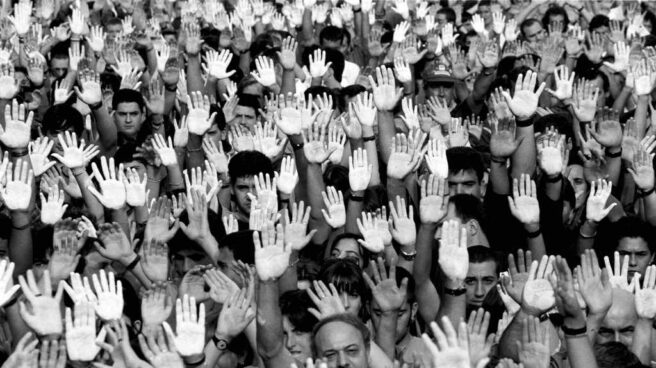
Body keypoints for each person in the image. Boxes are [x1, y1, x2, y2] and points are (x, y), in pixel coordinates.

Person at [2, 1, 656, 368]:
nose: (342, 362)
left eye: (350, 350)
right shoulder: (282, 335)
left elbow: (431, 289)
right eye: (333, 352)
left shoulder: (506, 330)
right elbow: (271, 332)